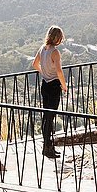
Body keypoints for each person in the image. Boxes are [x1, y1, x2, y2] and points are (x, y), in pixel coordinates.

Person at [32, 25, 68, 158]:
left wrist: (44, 73)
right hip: (53, 86)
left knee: (46, 117)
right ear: (58, 38)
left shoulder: (42, 48)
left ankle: (47, 146)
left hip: (44, 85)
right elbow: (59, 71)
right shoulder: (55, 52)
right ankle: (48, 148)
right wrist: (64, 86)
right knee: (50, 117)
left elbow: (35, 64)